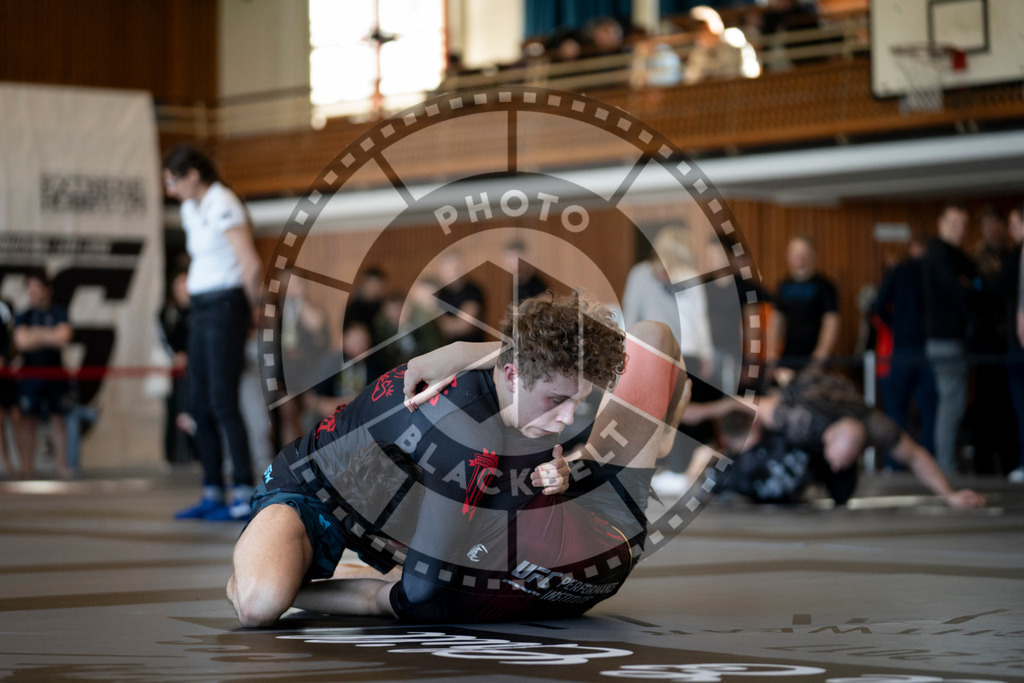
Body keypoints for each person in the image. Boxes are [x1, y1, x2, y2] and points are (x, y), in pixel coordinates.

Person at [226, 294, 686, 626]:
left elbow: (535, 365)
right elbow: (403, 594)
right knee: (258, 604)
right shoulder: (469, 444)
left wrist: (567, 465)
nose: (567, 420)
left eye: (577, 403)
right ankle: (275, 568)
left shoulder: (517, 403)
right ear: (513, 375)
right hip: (314, 484)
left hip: (586, 530)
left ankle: (657, 440)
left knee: (650, 337)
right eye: (557, 402)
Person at [682, 369, 986, 508]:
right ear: (827, 439)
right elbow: (751, 405)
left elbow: (915, 455)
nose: (839, 464)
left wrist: (949, 494)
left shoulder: (876, 426)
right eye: (838, 459)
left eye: (848, 460)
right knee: (756, 452)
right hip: (802, 396)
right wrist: (702, 413)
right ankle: (721, 478)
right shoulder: (799, 419)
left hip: (834, 411)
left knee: (843, 494)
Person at [163, 144, 264, 521]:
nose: (171, 190)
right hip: (202, 307)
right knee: (199, 400)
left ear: (193, 176)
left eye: (174, 181)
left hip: (227, 305)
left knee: (223, 399)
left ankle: (242, 490)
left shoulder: (223, 201)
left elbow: (250, 263)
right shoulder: (191, 209)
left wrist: (255, 310)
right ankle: (212, 490)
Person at [622, 226, 713, 496]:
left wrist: (706, 353)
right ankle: (665, 467)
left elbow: (699, 318)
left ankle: (679, 469)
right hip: (657, 351)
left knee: (680, 411)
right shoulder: (641, 274)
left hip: (686, 351)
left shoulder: (688, 274)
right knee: (659, 412)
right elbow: (631, 313)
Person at [923, 203, 977, 473]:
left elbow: (976, 279)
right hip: (944, 339)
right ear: (941, 223)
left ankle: (947, 463)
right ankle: (946, 466)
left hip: (951, 338)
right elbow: (958, 290)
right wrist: (970, 288)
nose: (960, 229)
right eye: (954, 223)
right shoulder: (939, 254)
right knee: (951, 403)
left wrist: (973, 285)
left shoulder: (954, 254)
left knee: (953, 402)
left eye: (963, 224)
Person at [873, 238, 936, 460]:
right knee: (928, 409)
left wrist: (896, 325)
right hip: (927, 347)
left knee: (897, 408)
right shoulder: (932, 271)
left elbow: (879, 305)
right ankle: (927, 458)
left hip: (905, 348)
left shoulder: (900, 271)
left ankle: (896, 462)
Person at [13, 272, 73, 480]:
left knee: (59, 418)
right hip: (31, 373)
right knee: (28, 419)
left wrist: (35, 334)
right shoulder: (24, 315)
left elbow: (63, 337)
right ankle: (27, 466)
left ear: (47, 289)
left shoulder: (59, 312)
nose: (33, 292)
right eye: (30, 287)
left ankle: (62, 466)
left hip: (55, 372)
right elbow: (21, 343)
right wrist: (49, 334)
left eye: (36, 287)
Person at [767, 234, 840, 373]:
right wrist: (771, 352)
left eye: (804, 252)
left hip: (813, 356)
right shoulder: (784, 285)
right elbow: (776, 320)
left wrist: (820, 355)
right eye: (795, 252)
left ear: (813, 255)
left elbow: (831, 322)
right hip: (788, 355)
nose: (799, 257)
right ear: (788, 255)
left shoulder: (824, 286)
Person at [158, 270, 195, 465]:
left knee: (196, 411)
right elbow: (162, 338)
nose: (183, 289)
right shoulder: (168, 312)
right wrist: (176, 355)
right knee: (174, 411)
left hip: (196, 371)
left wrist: (192, 356)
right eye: (180, 285)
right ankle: (172, 454)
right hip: (174, 372)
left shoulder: (198, 310)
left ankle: (196, 453)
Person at [436, 250, 486, 343]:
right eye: (448, 268)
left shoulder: (472, 290)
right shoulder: (441, 293)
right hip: (446, 347)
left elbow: (464, 326)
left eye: (456, 267)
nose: (453, 272)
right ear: (441, 270)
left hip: (471, 346)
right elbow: (436, 326)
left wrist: (445, 325)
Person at [0, 297, 18, 477]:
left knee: (16, 415)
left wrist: (4, 356)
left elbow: (11, 337)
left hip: (6, 372)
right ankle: (6, 462)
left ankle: (20, 461)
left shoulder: (4, 308)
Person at [502, 240, 548, 304]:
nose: (509, 261)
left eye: (512, 257)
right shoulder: (515, 283)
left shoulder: (536, 283)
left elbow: (546, 302)